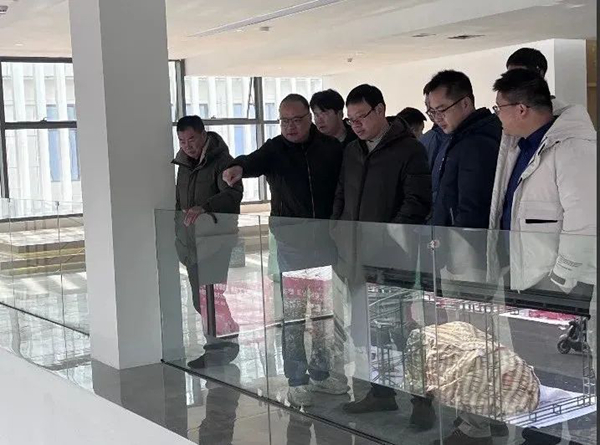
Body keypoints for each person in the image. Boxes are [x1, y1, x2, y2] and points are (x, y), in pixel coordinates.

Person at [222, 94, 348, 408]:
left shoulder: (331, 149)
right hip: (292, 246)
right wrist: (236, 167)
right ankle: (297, 380)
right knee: (294, 316)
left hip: (328, 244)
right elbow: (251, 161)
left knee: (323, 315)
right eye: (284, 121)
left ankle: (321, 374)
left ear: (309, 118)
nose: (290, 126)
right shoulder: (275, 149)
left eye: (297, 120)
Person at [331, 84, 431, 419]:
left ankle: (422, 400)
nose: (356, 125)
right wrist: (337, 227)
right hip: (356, 253)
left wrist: (389, 238)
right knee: (368, 328)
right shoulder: (352, 150)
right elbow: (342, 192)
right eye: (351, 119)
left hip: (392, 257)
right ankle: (381, 392)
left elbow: (417, 201)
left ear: (380, 110)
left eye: (361, 116)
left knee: (400, 328)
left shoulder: (409, 150)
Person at [173, 115, 243, 369]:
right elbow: (179, 203)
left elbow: (233, 195)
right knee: (199, 299)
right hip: (191, 242)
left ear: (203, 135)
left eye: (192, 139)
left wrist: (205, 207)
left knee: (210, 297)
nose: (187, 146)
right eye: (182, 141)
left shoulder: (222, 162)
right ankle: (227, 336)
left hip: (215, 241)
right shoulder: (183, 165)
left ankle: (219, 347)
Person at [425, 70, 502, 230]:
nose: (437, 118)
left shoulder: (476, 143)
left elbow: (472, 210)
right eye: (432, 112)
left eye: (442, 110)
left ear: (465, 103)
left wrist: (457, 241)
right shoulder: (460, 138)